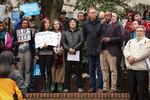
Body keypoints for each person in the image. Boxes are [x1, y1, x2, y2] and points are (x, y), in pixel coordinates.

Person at [123, 25, 150, 100]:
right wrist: (128, 57)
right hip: (131, 69)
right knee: (132, 90)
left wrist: (134, 59)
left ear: (144, 32)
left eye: (141, 31)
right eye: (137, 31)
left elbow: (145, 52)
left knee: (143, 91)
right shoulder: (130, 41)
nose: (139, 32)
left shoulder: (147, 41)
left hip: (142, 69)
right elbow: (125, 50)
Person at [99, 11, 123, 93]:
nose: (106, 17)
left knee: (113, 70)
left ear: (111, 16)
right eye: (105, 16)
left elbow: (120, 38)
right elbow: (97, 34)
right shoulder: (102, 26)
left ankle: (113, 88)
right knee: (104, 69)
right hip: (102, 50)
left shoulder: (116, 26)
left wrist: (110, 39)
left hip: (112, 50)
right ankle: (105, 87)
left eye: (107, 16)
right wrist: (101, 25)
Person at [83, 7, 103, 93]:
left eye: (95, 12)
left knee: (100, 70)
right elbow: (84, 36)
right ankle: (92, 87)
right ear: (88, 14)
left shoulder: (101, 22)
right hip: (90, 49)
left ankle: (99, 87)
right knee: (91, 70)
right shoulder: (86, 23)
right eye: (92, 12)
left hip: (99, 49)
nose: (94, 14)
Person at [62, 18, 84, 93]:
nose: (72, 23)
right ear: (69, 24)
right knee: (67, 71)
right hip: (68, 53)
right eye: (71, 22)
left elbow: (81, 41)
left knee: (78, 71)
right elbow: (63, 42)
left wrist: (74, 49)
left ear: (76, 23)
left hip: (77, 53)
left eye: (74, 22)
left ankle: (80, 87)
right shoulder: (65, 32)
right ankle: (66, 88)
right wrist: (69, 49)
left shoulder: (80, 31)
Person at [13, 19, 33, 89]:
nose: (25, 24)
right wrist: (18, 42)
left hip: (28, 51)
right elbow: (13, 43)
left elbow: (33, 42)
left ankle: (26, 86)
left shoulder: (30, 31)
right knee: (19, 69)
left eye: (26, 23)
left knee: (28, 68)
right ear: (21, 24)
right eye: (24, 23)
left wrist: (32, 35)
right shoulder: (17, 32)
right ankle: (20, 86)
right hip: (19, 52)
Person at [36, 18, 54, 92]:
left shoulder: (52, 33)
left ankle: (48, 88)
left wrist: (49, 45)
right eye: (45, 22)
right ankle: (43, 87)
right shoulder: (39, 33)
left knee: (49, 70)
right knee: (42, 70)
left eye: (48, 22)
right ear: (43, 24)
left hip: (49, 52)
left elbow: (54, 42)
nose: (47, 24)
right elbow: (37, 44)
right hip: (41, 52)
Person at [51, 19, 64, 92]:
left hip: (61, 53)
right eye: (55, 24)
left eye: (57, 24)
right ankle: (53, 83)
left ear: (59, 25)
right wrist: (55, 50)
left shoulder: (62, 33)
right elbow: (49, 42)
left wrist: (60, 50)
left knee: (60, 69)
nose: (56, 25)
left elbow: (64, 42)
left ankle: (59, 83)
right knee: (52, 69)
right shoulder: (51, 33)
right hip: (53, 53)